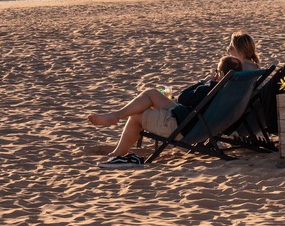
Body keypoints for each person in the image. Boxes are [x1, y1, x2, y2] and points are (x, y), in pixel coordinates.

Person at [87, 56, 243, 168]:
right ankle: (115, 115)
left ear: (221, 75)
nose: (214, 74)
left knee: (136, 116)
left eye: (216, 71)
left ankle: (118, 153)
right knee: (152, 93)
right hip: (194, 121)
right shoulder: (232, 91)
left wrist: (204, 82)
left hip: (181, 125)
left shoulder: (211, 88)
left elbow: (183, 97)